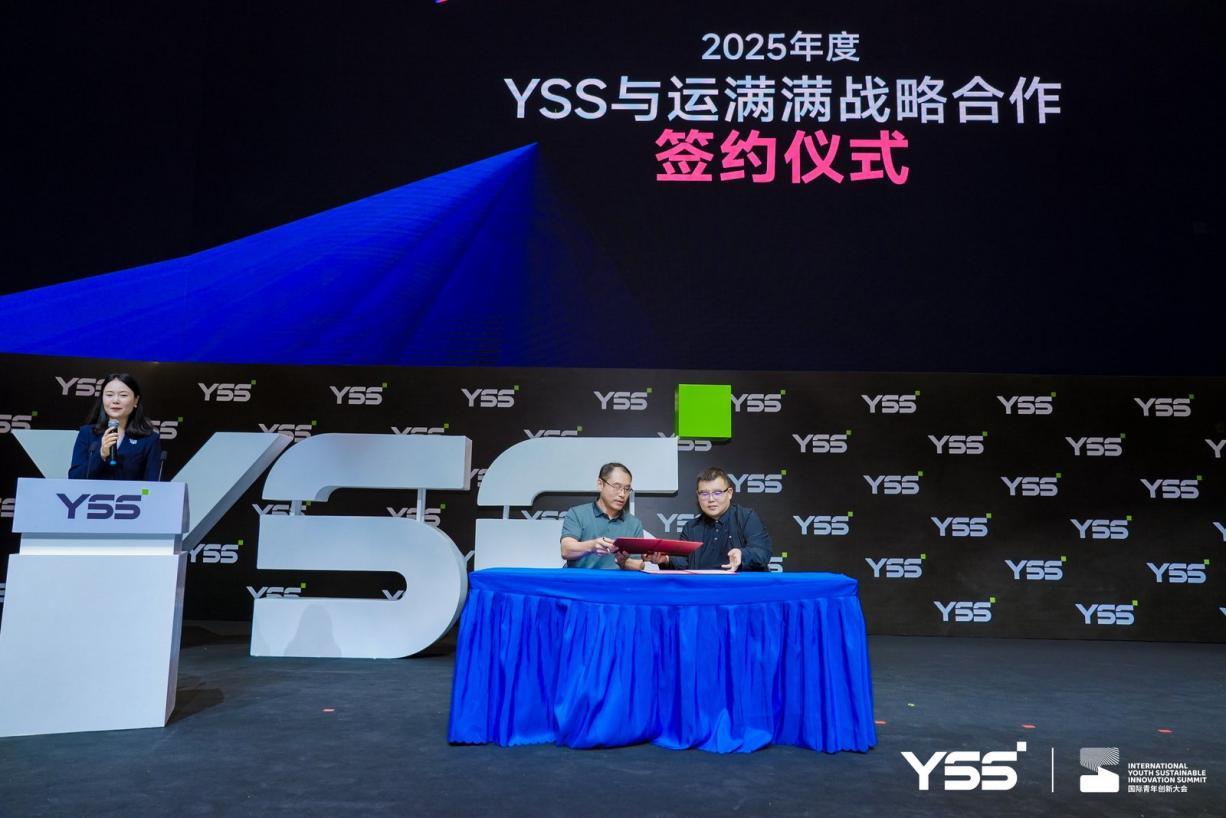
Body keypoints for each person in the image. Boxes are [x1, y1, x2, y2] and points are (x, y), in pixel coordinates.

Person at [661, 467, 772, 571]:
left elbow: (762, 553)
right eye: (704, 494)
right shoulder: (691, 527)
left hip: (740, 584)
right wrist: (665, 560)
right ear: (697, 496)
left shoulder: (746, 517)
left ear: (729, 493)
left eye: (717, 493)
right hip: (703, 584)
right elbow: (684, 562)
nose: (711, 499)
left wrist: (742, 555)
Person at [68, 373, 163, 481]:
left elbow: (152, 483)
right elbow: (74, 477)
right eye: (109, 395)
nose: (115, 400)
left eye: (123, 395)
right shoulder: (87, 433)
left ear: (136, 400)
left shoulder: (149, 439)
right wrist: (101, 455)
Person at [560, 462, 649, 570]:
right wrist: (592, 546)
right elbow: (566, 550)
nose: (622, 494)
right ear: (600, 484)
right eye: (616, 487)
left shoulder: (634, 524)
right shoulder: (577, 513)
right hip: (581, 579)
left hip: (616, 581)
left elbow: (638, 565)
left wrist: (623, 562)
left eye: (627, 489)